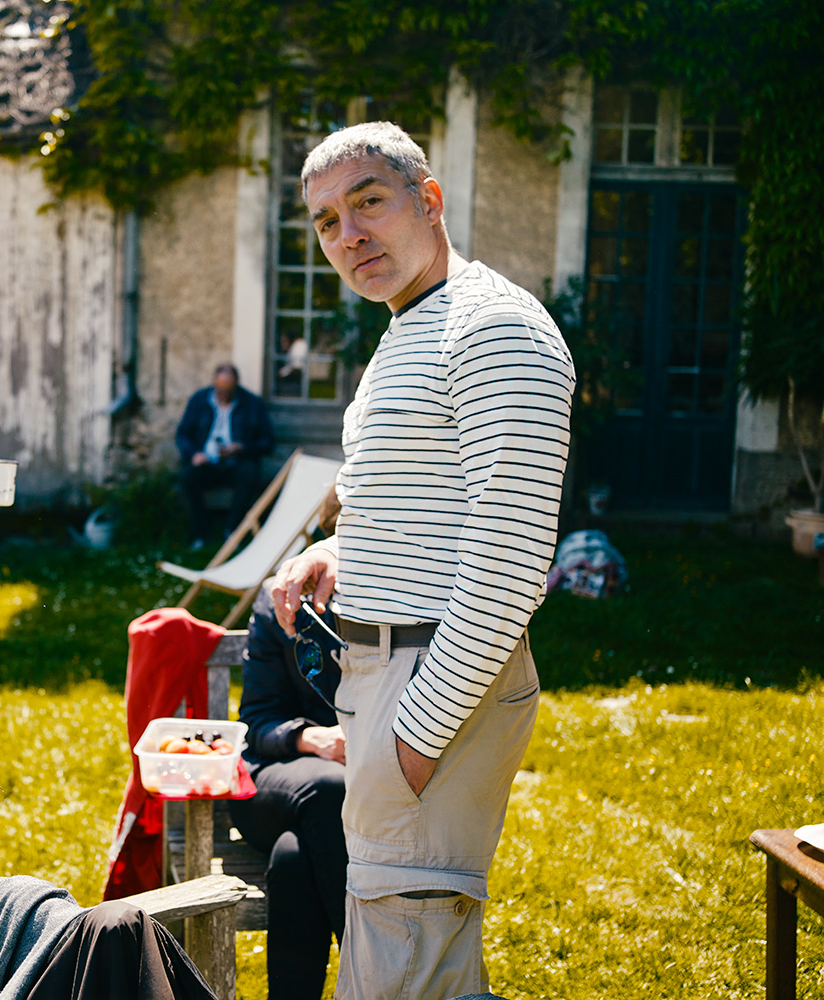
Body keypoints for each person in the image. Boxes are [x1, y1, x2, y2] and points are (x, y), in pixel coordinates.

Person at [270, 121, 575, 1000]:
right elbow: (434, 496)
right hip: (388, 676)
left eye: (368, 202)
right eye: (327, 222)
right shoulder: (413, 322)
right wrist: (339, 551)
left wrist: (413, 738)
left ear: (428, 199)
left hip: (432, 686)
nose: (348, 235)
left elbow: (510, 557)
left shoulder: (492, 327)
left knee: (403, 964)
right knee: (407, 958)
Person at [230, 557, 347, 1000]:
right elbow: (257, 721)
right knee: (329, 788)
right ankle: (377, 977)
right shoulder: (282, 598)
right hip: (275, 782)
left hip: (360, 797)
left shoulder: (400, 594)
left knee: (294, 856)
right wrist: (311, 739)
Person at [174, 363, 275, 547]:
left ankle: (232, 530)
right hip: (206, 464)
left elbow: (268, 442)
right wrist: (194, 454)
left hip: (236, 464)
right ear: (214, 383)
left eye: (228, 390)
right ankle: (200, 534)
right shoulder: (199, 400)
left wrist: (242, 448)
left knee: (250, 473)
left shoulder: (252, 403)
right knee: (186, 476)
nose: (223, 394)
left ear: (236, 385)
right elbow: (182, 435)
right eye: (220, 389)